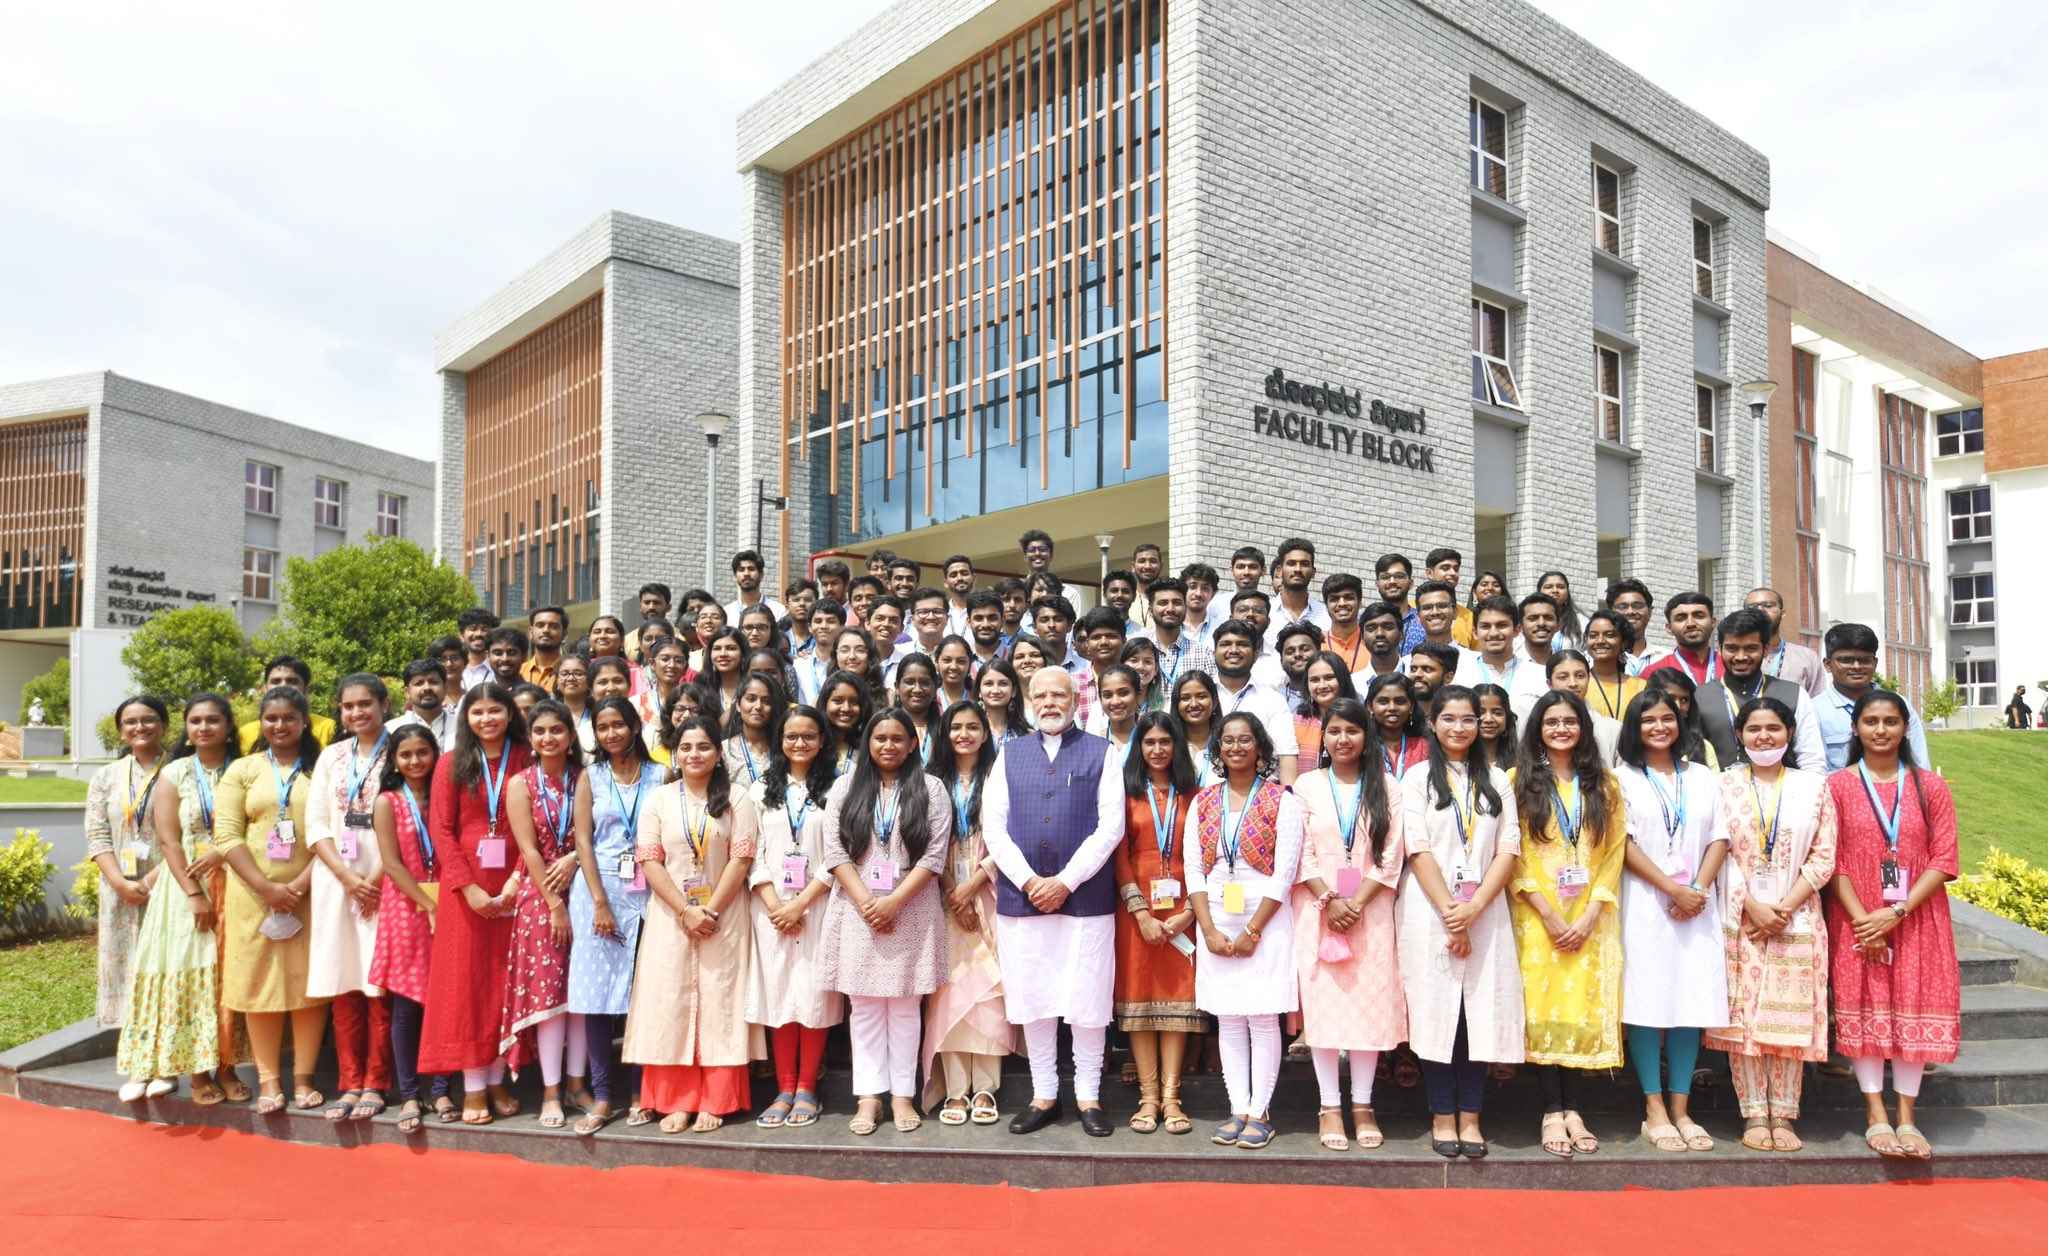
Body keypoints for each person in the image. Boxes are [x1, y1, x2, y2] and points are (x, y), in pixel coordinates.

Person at [980, 667, 1126, 1138]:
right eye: (1039, 694)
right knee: (1035, 997)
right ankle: (1044, 1094)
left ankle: (1088, 1095)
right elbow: (993, 827)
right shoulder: (1008, 755)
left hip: (1085, 898)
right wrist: (1027, 881)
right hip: (1022, 901)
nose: (1048, 702)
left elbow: (1111, 828)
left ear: (1076, 698)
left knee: (1086, 999)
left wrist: (1064, 881)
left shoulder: (1103, 753)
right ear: (1027, 699)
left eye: (1057, 694)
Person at [1826, 689, 1961, 1160]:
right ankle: (1874, 1113)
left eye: (1890, 721)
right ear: (1856, 728)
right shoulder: (1838, 785)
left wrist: (1896, 912)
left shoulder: (1930, 786)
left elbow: (1944, 859)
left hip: (1918, 917)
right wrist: (1865, 919)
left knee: (1913, 1006)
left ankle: (1906, 1115)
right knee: (1863, 1008)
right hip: (1856, 918)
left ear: (1906, 728)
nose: (1880, 730)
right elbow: (1831, 859)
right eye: (1871, 721)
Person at [1703, 695, 1836, 1151]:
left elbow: (1823, 856)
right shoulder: (1723, 785)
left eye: (1774, 729)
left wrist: (1783, 906)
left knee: (1788, 1021)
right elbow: (1717, 850)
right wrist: (1752, 907)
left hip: (1796, 917)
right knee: (1745, 1022)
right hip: (1739, 917)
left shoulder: (1814, 787)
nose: (1764, 737)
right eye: (1754, 729)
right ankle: (1754, 1114)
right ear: (1738, 735)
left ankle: (1785, 1112)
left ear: (1790, 733)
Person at [1399, 686, 1523, 1160]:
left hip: (1486, 913)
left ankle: (1471, 1115)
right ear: (1432, 723)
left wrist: (1473, 909)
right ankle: (1441, 1114)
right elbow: (1417, 846)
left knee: (1478, 1017)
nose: (1459, 727)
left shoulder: (1497, 779)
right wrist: (1452, 912)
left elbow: (1508, 847)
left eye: (1468, 719)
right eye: (1448, 719)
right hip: (1430, 911)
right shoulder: (1416, 779)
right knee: (1437, 1017)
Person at [818, 708, 953, 1135]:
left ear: (913, 744)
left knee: (907, 1006)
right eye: (880, 738)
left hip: (911, 909)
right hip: (859, 912)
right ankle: (869, 1097)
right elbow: (835, 852)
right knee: (864, 1009)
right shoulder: (845, 787)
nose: (889, 746)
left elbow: (934, 856)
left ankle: (902, 1096)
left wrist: (893, 902)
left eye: (898, 738)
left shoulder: (931, 789)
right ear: (868, 744)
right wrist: (867, 903)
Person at [625, 716, 759, 1134]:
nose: (694, 754)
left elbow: (742, 858)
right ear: (676, 753)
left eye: (703, 747)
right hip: (671, 916)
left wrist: (711, 910)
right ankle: (675, 1100)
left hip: (725, 915)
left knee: (721, 1005)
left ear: (718, 754)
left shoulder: (737, 797)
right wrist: (685, 910)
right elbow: (649, 859)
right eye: (686, 747)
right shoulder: (659, 799)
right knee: (670, 1003)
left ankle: (717, 1098)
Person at [1509, 690, 1626, 1159]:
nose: (1561, 729)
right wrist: (1550, 914)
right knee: (1544, 1009)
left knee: (1579, 1007)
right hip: (1537, 918)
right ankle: (1549, 1108)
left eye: (1569, 721)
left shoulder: (1606, 785)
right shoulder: (1518, 782)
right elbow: (1511, 854)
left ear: (1583, 728)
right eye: (1551, 721)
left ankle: (1574, 1107)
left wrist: (1593, 910)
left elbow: (1615, 853)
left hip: (1591, 918)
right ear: (1538, 728)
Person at [1183, 711, 1305, 1150]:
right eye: (1227, 741)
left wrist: (1253, 929)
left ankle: (1261, 1111)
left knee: (1262, 1016)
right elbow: (1193, 869)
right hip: (1215, 915)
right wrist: (1209, 929)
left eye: (1244, 740)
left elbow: (1285, 873)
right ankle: (1237, 1108)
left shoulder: (1282, 800)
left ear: (1260, 748)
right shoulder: (1203, 801)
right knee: (1230, 1018)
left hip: (1266, 917)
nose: (1235, 747)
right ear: (1218, 749)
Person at [1615, 688, 1728, 1153]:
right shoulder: (1620, 778)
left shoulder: (1701, 776)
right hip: (1646, 904)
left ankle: (1681, 1108)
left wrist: (1697, 889)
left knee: (1689, 1003)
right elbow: (1621, 845)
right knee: (1648, 1003)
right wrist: (1671, 888)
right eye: (1648, 720)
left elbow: (1720, 836)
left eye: (1667, 718)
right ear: (1633, 728)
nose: (1659, 727)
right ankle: (1653, 1107)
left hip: (1697, 907)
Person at [1292, 698, 1406, 1152]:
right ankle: (1328, 1106)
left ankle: (1363, 1104)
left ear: (1366, 737)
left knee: (1369, 1009)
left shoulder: (1387, 786)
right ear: (1324, 737)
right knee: (1324, 1010)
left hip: (1371, 912)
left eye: (1352, 731)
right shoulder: (1306, 785)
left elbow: (1392, 852)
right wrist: (1328, 899)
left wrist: (1355, 902)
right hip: (1318, 910)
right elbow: (1299, 850)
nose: (1343, 739)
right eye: (1334, 731)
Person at [418, 683, 533, 1124]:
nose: (487, 719)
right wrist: (468, 888)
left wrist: (516, 881)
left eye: (495, 711)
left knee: (505, 986)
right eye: (478, 712)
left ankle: (498, 1077)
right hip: (464, 890)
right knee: (468, 987)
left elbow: (537, 827)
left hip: (516, 883)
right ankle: (473, 1087)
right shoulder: (451, 764)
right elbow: (441, 831)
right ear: (466, 718)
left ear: (509, 715)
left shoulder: (525, 760)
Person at [212, 685, 326, 1115]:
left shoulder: (322, 768)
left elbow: (336, 833)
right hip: (252, 897)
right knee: (260, 988)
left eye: (289, 718)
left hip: (312, 894)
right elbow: (226, 834)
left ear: (304, 722)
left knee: (307, 986)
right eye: (271, 718)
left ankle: (303, 1078)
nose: (280, 725)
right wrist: (266, 888)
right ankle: (268, 1080)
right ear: (261, 722)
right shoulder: (242, 769)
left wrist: (299, 886)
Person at [115, 695, 232, 1104]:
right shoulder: (176, 773)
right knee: (190, 969)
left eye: (213, 720)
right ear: (186, 727)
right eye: (196, 721)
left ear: (228, 725)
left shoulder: (244, 768)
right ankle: (198, 1073)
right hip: (183, 887)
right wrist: (193, 893)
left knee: (229, 975)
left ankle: (230, 1065)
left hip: (238, 878)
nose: (203, 728)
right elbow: (168, 839)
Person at [747, 706, 846, 1130]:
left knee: (813, 996)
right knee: (780, 995)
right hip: (769, 910)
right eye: (791, 737)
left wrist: (800, 904)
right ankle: (784, 1086)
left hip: (818, 906)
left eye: (809, 736)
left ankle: (807, 1086)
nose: (800, 744)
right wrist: (776, 906)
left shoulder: (838, 788)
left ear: (822, 740)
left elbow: (837, 855)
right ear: (780, 741)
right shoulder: (758, 791)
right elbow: (749, 853)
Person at [567, 697, 660, 1135]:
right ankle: (603, 1094)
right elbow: (583, 841)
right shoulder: (592, 776)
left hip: (650, 890)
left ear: (634, 726)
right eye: (602, 727)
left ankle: (643, 1090)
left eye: (618, 725)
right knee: (597, 998)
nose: (611, 734)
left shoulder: (661, 775)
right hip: (598, 889)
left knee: (645, 994)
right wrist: (600, 901)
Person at [304, 675, 394, 1122]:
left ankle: (377, 1081)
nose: (357, 713)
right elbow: (315, 824)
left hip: (386, 881)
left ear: (384, 704)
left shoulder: (400, 749)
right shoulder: (331, 757)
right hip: (336, 882)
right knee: (343, 980)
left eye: (365, 704)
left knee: (377, 983)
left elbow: (410, 815)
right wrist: (344, 876)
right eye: (348, 706)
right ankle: (349, 1080)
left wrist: (376, 877)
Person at [922, 701, 1016, 1126]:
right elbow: (924, 844)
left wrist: (974, 885)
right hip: (942, 901)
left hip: (990, 894)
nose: (964, 734)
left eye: (972, 726)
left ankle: (985, 1088)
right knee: (951, 994)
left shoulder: (1001, 779)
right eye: (956, 727)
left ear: (985, 732)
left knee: (989, 994)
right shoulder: (930, 782)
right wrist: (951, 892)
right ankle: (955, 1090)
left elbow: (1011, 839)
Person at [1113, 711, 1200, 1136]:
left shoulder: (1195, 795)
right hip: (1137, 914)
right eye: (1149, 743)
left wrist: (1188, 913)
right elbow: (1119, 857)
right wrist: (1141, 912)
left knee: (1176, 1004)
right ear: (1138, 748)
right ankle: (1148, 1098)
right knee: (1142, 1004)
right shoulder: (1125, 795)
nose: (1158, 750)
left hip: (1185, 908)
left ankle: (1172, 1097)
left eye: (1166, 741)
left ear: (1177, 746)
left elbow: (1206, 856)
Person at [498, 699, 582, 1128]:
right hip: (541, 897)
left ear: (570, 735)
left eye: (556, 730)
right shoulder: (521, 783)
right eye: (540, 731)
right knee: (551, 997)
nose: (548, 738)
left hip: (585, 892)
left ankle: (576, 1082)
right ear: (531, 739)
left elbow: (591, 838)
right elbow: (528, 848)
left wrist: (575, 861)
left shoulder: (584, 779)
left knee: (583, 998)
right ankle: (550, 1091)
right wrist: (553, 903)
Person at [367, 723, 453, 1133]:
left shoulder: (444, 794)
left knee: (444, 1000)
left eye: (422, 752)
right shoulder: (387, 802)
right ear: (394, 761)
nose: (416, 761)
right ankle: (408, 1093)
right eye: (406, 755)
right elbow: (391, 863)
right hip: (407, 908)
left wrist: (441, 903)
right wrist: (426, 904)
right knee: (406, 1008)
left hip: (449, 904)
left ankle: (440, 1087)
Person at [87, 695, 168, 1033]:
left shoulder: (179, 771)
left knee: (165, 963)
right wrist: (119, 882)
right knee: (122, 964)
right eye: (130, 722)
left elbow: (193, 835)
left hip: (168, 884)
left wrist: (150, 881)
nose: (140, 727)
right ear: (121, 732)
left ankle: (165, 1041)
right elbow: (97, 833)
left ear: (163, 725)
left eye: (148, 719)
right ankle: (131, 1041)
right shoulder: (106, 777)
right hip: (118, 887)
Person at [1698, 609, 1825, 771]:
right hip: (1720, 793)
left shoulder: (1794, 694)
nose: (1740, 657)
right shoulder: (1699, 697)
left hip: (1785, 794)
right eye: (1732, 648)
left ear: (1765, 649)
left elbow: (1811, 758)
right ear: (1720, 648)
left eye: (1750, 648)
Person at [1816, 623, 1931, 770]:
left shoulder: (1898, 704)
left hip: (1897, 791)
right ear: (1827, 664)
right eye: (1846, 660)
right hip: (1838, 791)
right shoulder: (1815, 711)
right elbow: (1815, 770)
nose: (1856, 666)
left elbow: (1920, 762)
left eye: (1864, 660)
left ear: (1875, 663)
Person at [1210, 620, 1300, 785]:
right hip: (1203, 794)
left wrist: (1290, 800)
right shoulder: (1199, 695)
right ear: (1214, 651)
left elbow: (1286, 756)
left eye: (1242, 644)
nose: (1233, 650)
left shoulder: (1273, 700)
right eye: (1226, 644)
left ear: (1256, 653)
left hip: (1259, 797)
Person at [1455, 594, 1546, 718]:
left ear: (1517, 630)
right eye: (1485, 626)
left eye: (1502, 625)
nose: (1493, 633)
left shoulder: (1539, 675)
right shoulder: (1459, 675)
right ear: (1475, 632)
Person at [236, 656, 338, 751]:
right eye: (276, 681)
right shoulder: (246, 733)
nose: (283, 686)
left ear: (306, 689)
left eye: (292, 681)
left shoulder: (328, 729)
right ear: (265, 689)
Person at [1740, 587, 1827, 697]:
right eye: (1752, 607)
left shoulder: (1807, 657)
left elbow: (1816, 702)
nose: (1760, 610)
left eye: (1768, 605)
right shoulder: (1734, 657)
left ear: (1783, 613)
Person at [1545, 650, 1620, 767]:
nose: (1573, 683)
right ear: (1549, 684)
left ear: (1589, 679)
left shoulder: (1612, 729)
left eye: (1580, 676)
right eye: (1563, 677)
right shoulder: (1539, 728)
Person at [1295, 652, 1359, 777]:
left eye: (1329, 677)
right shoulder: (1295, 722)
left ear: (1343, 679)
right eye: (1314, 680)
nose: (1322, 685)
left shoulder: (1360, 719)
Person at [1640, 592, 1721, 686]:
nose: (1690, 624)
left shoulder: (1731, 666)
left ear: (1713, 622)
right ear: (1669, 628)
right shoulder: (1654, 672)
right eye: (1681, 618)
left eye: (1699, 616)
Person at [1145, 576, 1214, 686]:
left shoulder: (1204, 654)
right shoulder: (1137, 652)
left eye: (1177, 603)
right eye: (1163, 603)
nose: (1170, 609)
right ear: (1150, 610)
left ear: (1185, 608)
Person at [722, 671, 786, 789]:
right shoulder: (724, 751)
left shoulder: (784, 747)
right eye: (751, 699)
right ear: (738, 705)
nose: (758, 706)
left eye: (766, 701)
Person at [1580, 609, 1644, 722]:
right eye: (1593, 635)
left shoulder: (1641, 687)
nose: (1600, 641)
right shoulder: (1578, 684)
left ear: (1623, 642)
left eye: (1609, 635)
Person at [1364, 672, 1431, 778]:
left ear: (1411, 707)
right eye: (1383, 702)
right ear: (1370, 707)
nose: (1392, 708)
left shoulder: (1426, 746)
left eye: (1400, 701)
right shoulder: (1362, 746)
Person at [1268, 538, 1331, 648]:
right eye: (1291, 563)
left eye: (1304, 564)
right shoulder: (1264, 613)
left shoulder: (1327, 615)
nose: (1297, 569)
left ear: (1313, 572)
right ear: (1279, 571)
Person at [389, 658, 459, 750]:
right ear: (407, 692)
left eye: (433, 682)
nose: (427, 688)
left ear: (445, 688)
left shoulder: (462, 726)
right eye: (419, 683)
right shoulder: (392, 729)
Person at [1091, 663, 1144, 775]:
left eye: (1123, 693)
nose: (1115, 702)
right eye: (1107, 695)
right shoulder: (1094, 742)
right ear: (1100, 699)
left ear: (1138, 696)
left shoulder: (1148, 740)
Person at [1173, 669, 1224, 786]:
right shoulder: (1168, 745)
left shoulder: (1227, 744)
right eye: (1185, 698)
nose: (1194, 704)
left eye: (1201, 696)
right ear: (1176, 704)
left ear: (1215, 701)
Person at [819, 672, 875, 775]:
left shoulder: (869, 748)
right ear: (825, 703)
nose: (846, 708)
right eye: (837, 701)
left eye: (854, 702)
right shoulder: (814, 745)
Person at [1604, 578, 1660, 673]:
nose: (1630, 612)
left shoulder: (1665, 658)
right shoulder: (1594, 660)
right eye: (1622, 607)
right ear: (1610, 613)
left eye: (1637, 606)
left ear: (1650, 612)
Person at [1423, 548, 1477, 648]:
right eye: (1445, 568)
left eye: (1456, 569)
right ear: (1429, 573)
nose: (1453, 573)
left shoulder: (1469, 616)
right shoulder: (1411, 610)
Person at [894, 653, 943, 761]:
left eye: (925, 683)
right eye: (909, 682)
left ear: (935, 687)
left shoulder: (945, 729)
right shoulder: (884, 727)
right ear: (897, 687)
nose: (917, 689)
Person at [1373, 553, 1425, 653]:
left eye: (1399, 576)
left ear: (1411, 583)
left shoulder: (1423, 621)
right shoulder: (1365, 620)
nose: (1392, 581)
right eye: (1385, 577)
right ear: (1377, 584)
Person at [724, 549, 788, 624]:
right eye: (741, 570)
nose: (746, 573)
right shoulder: (727, 613)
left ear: (761, 574)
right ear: (735, 576)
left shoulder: (778, 611)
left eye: (751, 569)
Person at [977, 658, 1027, 743]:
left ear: (1014, 691)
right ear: (979, 691)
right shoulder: (971, 731)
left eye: (1003, 684)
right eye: (989, 684)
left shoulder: (1027, 736)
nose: (996, 690)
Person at [1535, 572, 1585, 653]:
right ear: (1539, 592)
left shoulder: (1581, 621)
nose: (1555, 590)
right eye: (1548, 587)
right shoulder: (1528, 619)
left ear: (1567, 593)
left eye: (1560, 587)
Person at [622, 583, 673, 660]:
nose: (651, 607)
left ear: (668, 607)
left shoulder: (681, 638)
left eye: (656, 603)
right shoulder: (627, 641)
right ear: (640, 607)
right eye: (647, 602)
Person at [521, 606, 568, 691]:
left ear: (564, 634)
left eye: (554, 626)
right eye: (540, 625)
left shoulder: (571, 673)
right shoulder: (519, 672)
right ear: (531, 632)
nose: (546, 630)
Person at [1474, 682, 1518, 765]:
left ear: (1507, 718)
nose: (1488, 719)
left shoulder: (1522, 764)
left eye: (1497, 713)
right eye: (1480, 712)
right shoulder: (1457, 763)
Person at [458, 609, 500, 692]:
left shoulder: (499, 669)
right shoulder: (453, 669)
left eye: (484, 629)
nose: (479, 634)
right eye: (473, 629)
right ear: (461, 636)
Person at [934, 635, 976, 710]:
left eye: (961, 661)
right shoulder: (929, 699)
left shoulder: (978, 698)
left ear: (969, 664)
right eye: (947, 660)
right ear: (937, 663)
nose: (954, 667)